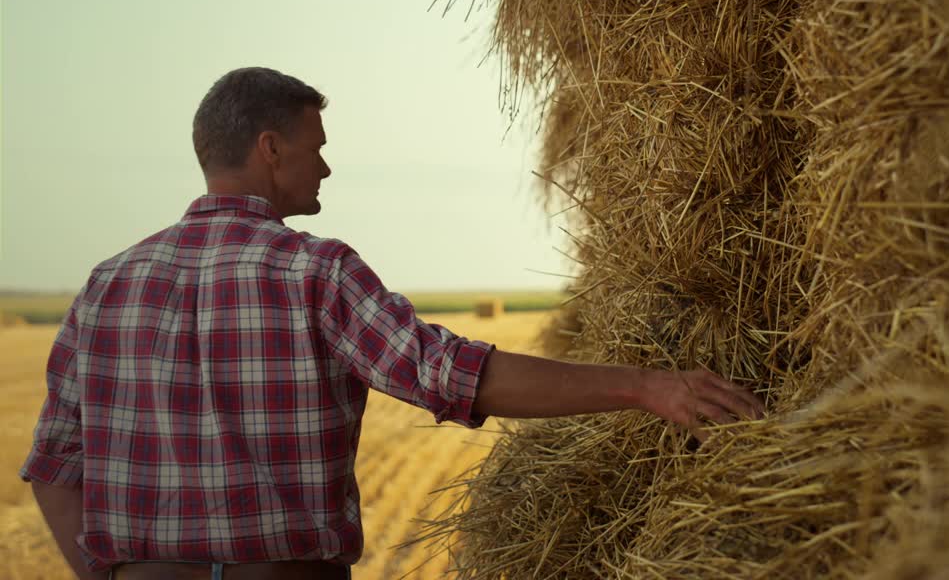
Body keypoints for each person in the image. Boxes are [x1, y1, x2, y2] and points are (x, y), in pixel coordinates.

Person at [21, 67, 765, 580]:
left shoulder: (105, 286)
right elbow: (452, 374)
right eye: (317, 147)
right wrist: (644, 387)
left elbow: (54, 470)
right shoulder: (313, 271)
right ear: (268, 149)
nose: (326, 168)